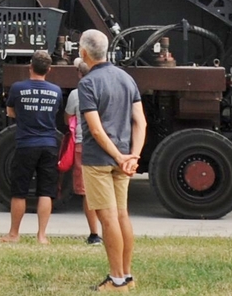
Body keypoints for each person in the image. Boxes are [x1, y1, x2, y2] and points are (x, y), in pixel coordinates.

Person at [76, 28, 144, 291]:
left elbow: (94, 129)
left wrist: (116, 155)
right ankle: (127, 275)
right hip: (125, 157)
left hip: (98, 159)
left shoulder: (87, 83)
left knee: (108, 219)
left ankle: (116, 280)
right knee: (122, 216)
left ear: (84, 53)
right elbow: (140, 122)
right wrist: (132, 156)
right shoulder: (126, 78)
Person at [1, 51, 64, 244]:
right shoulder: (56, 91)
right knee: (46, 191)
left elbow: (10, 111)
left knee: (19, 190)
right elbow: (56, 112)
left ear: (30, 67)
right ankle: (42, 235)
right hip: (49, 144)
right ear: (49, 70)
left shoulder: (18, 88)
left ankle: (14, 234)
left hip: (26, 143)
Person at [62, 84, 102, 245]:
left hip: (82, 143)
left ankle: (94, 234)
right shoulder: (105, 90)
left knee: (88, 192)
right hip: (107, 145)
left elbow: (67, 118)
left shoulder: (76, 94)